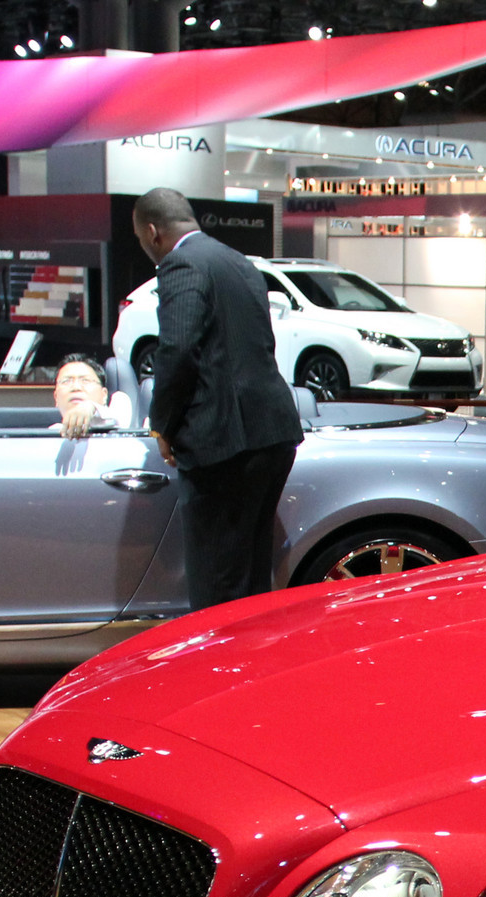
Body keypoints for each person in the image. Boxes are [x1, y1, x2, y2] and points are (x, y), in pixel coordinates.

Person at [133, 187, 303, 610]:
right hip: (273, 431)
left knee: (216, 584)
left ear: (153, 232)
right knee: (249, 574)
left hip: (223, 441)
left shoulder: (181, 264)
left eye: (141, 241)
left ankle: (221, 673)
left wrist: (162, 425)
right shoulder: (238, 261)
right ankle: (254, 669)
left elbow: (177, 349)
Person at [51, 354, 125, 440]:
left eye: (85, 380)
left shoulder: (119, 405)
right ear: (56, 397)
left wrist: (91, 407)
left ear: (104, 395)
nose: (76, 387)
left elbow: (117, 418)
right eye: (66, 381)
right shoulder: (50, 436)